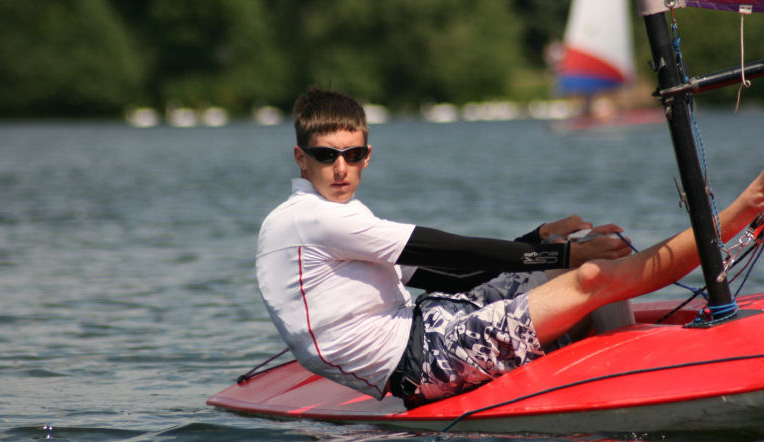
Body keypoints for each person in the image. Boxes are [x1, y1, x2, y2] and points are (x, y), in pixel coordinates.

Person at [256, 86, 764, 408]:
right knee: (586, 275)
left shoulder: (336, 217)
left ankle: (608, 345)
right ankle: (742, 211)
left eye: (353, 153)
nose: (341, 167)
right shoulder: (313, 219)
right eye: (326, 156)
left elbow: (446, 277)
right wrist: (564, 260)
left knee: (581, 242)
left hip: (433, 319)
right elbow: (450, 251)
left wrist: (543, 242)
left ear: (368, 155)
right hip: (422, 362)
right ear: (302, 159)